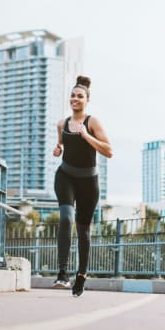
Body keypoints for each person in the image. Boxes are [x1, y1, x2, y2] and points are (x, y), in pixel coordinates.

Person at [52, 75, 112, 297]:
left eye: (80, 96)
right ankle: (62, 273)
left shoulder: (92, 122)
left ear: (87, 100)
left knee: (84, 231)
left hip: (89, 181)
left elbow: (109, 151)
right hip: (66, 176)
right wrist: (57, 149)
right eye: (72, 96)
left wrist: (87, 136)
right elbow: (61, 144)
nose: (75, 99)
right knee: (66, 218)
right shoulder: (62, 124)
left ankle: (81, 275)